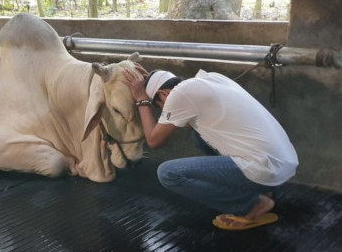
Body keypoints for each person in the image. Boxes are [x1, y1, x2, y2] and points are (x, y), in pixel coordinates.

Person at [123, 65, 298, 230]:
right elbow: (186, 124)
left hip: (265, 169)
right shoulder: (212, 78)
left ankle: (252, 204)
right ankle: (263, 190)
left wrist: (141, 100)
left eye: (159, 105)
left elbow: (154, 141)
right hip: (284, 164)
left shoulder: (179, 95)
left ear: (164, 92)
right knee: (198, 135)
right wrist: (151, 81)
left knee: (168, 173)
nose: (163, 111)